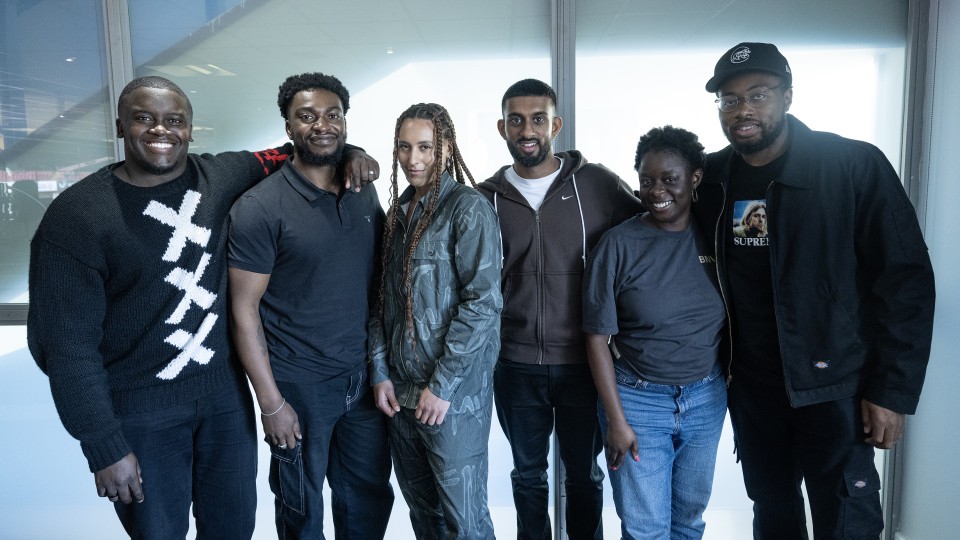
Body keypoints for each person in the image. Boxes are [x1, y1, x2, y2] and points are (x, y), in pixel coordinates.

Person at [26, 75, 378, 539]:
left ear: (191, 130)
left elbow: (298, 149)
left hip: (223, 403)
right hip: (140, 413)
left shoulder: (221, 175)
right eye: (144, 119)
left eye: (174, 121)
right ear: (119, 126)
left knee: (234, 529)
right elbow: (66, 349)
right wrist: (103, 446)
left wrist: (352, 154)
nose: (160, 131)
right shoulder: (77, 217)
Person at [695, 42, 936, 538]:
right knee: (773, 512)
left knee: (846, 517)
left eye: (758, 95)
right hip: (754, 390)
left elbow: (905, 279)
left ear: (787, 96)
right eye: (730, 99)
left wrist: (891, 390)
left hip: (838, 388)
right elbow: (656, 201)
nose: (743, 110)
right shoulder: (713, 178)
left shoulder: (851, 165)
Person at [227, 72, 393, 539]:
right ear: (288, 128)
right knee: (301, 509)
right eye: (307, 116)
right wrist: (271, 403)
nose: (322, 125)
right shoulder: (260, 208)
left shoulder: (363, 189)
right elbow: (244, 313)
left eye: (332, 114)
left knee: (367, 500)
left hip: (363, 381)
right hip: (299, 387)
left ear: (345, 121)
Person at [476, 78, 642, 540]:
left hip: (584, 364)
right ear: (502, 127)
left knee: (583, 474)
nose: (527, 129)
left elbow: (647, 237)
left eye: (537, 119)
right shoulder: (484, 197)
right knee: (528, 476)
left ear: (556, 124)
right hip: (514, 364)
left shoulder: (598, 184)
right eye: (516, 120)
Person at [582, 126, 727, 540]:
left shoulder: (715, 235)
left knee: (688, 521)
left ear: (695, 178)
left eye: (669, 179)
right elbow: (595, 338)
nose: (656, 190)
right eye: (646, 181)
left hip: (705, 399)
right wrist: (616, 420)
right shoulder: (617, 245)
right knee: (646, 528)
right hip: (637, 400)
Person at [369, 103, 502, 539]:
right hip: (401, 400)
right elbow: (379, 305)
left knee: (466, 523)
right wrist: (380, 373)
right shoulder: (396, 217)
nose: (413, 158)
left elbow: (482, 304)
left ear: (444, 150)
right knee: (425, 520)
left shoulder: (468, 208)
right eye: (404, 147)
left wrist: (442, 387)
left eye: (425, 147)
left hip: (453, 401)